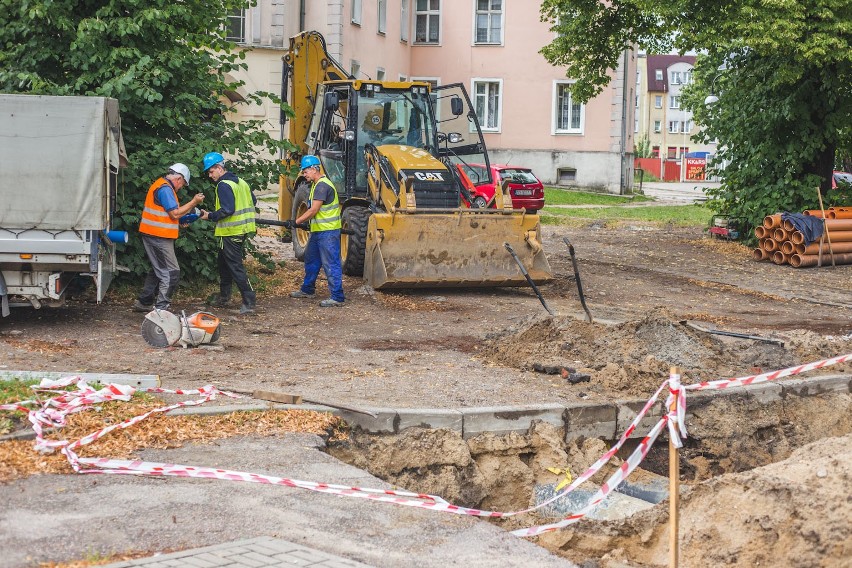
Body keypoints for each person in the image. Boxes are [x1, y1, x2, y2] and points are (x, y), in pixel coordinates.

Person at [134, 163, 204, 312]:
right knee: (171, 273)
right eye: (183, 185)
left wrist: (179, 222)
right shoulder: (166, 189)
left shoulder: (162, 186)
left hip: (154, 234)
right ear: (179, 179)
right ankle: (161, 310)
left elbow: (168, 215)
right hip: (158, 236)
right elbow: (175, 213)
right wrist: (193, 202)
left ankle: (144, 302)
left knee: (158, 269)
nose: (181, 188)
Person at [199, 152, 258, 315]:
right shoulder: (241, 182)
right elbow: (253, 201)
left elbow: (227, 210)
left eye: (211, 171)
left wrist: (209, 216)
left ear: (219, 168)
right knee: (223, 264)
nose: (210, 175)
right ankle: (224, 297)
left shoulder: (223, 185)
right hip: (242, 230)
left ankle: (249, 301)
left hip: (231, 232)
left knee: (235, 267)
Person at [289, 155, 345, 307]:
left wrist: (296, 222)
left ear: (314, 169)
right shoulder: (315, 185)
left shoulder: (322, 186)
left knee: (331, 263)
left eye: (306, 171)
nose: (304, 174)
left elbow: (314, 210)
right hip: (318, 231)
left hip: (328, 232)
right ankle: (307, 290)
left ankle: (337, 297)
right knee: (311, 260)